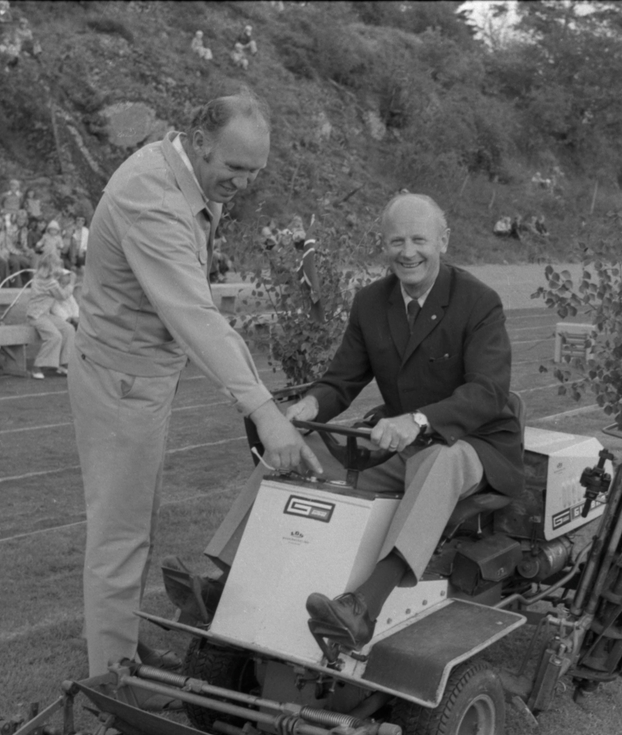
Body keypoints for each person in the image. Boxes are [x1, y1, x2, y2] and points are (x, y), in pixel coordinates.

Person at [69, 90, 321, 699]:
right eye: (234, 168)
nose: (243, 183)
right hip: (121, 380)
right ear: (199, 139)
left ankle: (120, 649)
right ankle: (111, 688)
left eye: (255, 172)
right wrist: (265, 412)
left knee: (134, 526)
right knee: (119, 538)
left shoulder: (184, 175)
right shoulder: (151, 198)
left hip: (141, 375)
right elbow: (196, 317)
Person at [199, 193, 524, 654]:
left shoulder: (479, 302)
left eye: (419, 240)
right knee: (293, 444)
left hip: (478, 444)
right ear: (383, 246)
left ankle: (364, 606)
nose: (408, 252)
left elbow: (489, 393)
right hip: (402, 444)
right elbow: (341, 380)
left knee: (440, 460)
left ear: (444, 242)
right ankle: (224, 576)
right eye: (396, 241)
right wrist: (306, 409)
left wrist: (417, 419)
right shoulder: (371, 302)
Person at [27, 251, 76, 379]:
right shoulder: (49, 282)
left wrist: (61, 275)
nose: (59, 268)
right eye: (56, 265)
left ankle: (64, 363)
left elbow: (55, 278)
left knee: (68, 329)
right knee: (55, 337)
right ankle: (38, 366)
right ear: (50, 267)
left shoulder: (42, 277)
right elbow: (63, 295)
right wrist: (71, 283)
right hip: (36, 316)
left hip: (44, 314)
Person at [6, 209, 36, 286]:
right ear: (16, 219)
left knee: (34, 258)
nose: (21, 221)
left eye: (23, 219)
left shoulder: (24, 230)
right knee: (21, 262)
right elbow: (9, 246)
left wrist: (28, 251)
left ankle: (34, 283)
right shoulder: (10, 228)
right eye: (20, 218)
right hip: (11, 253)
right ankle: (18, 285)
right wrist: (20, 253)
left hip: (21, 253)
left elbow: (24, 244)